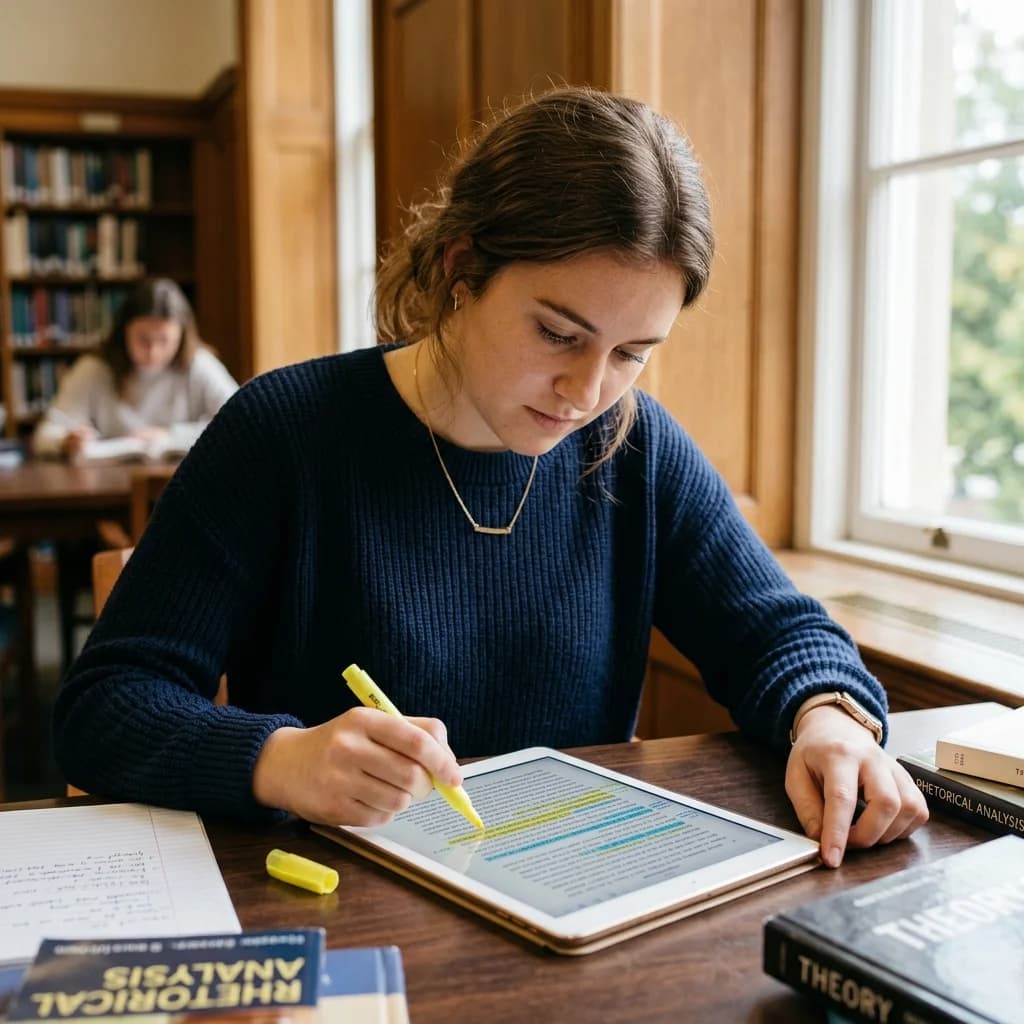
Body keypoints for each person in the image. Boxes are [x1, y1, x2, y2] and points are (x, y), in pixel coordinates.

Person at [53, 87, 927, 867]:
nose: (588, 393)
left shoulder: (634, 446)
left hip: (570, 904)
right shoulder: (282, 431)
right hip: (341, 912)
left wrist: (827, 717)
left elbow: (776, 631)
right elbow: (102, 708)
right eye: (558, 333)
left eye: (631, 353)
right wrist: (278, 761)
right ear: (460, 271)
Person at [32, 278, 238, 460]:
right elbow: (45, 434)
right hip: (107, 488)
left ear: (181, 336)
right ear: (124, 332)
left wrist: (171, 435)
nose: (153, 351)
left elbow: (239, 420)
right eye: (143, 339)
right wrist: (66, 441)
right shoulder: (94, 369)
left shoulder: (198, 364)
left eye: (164, 341)